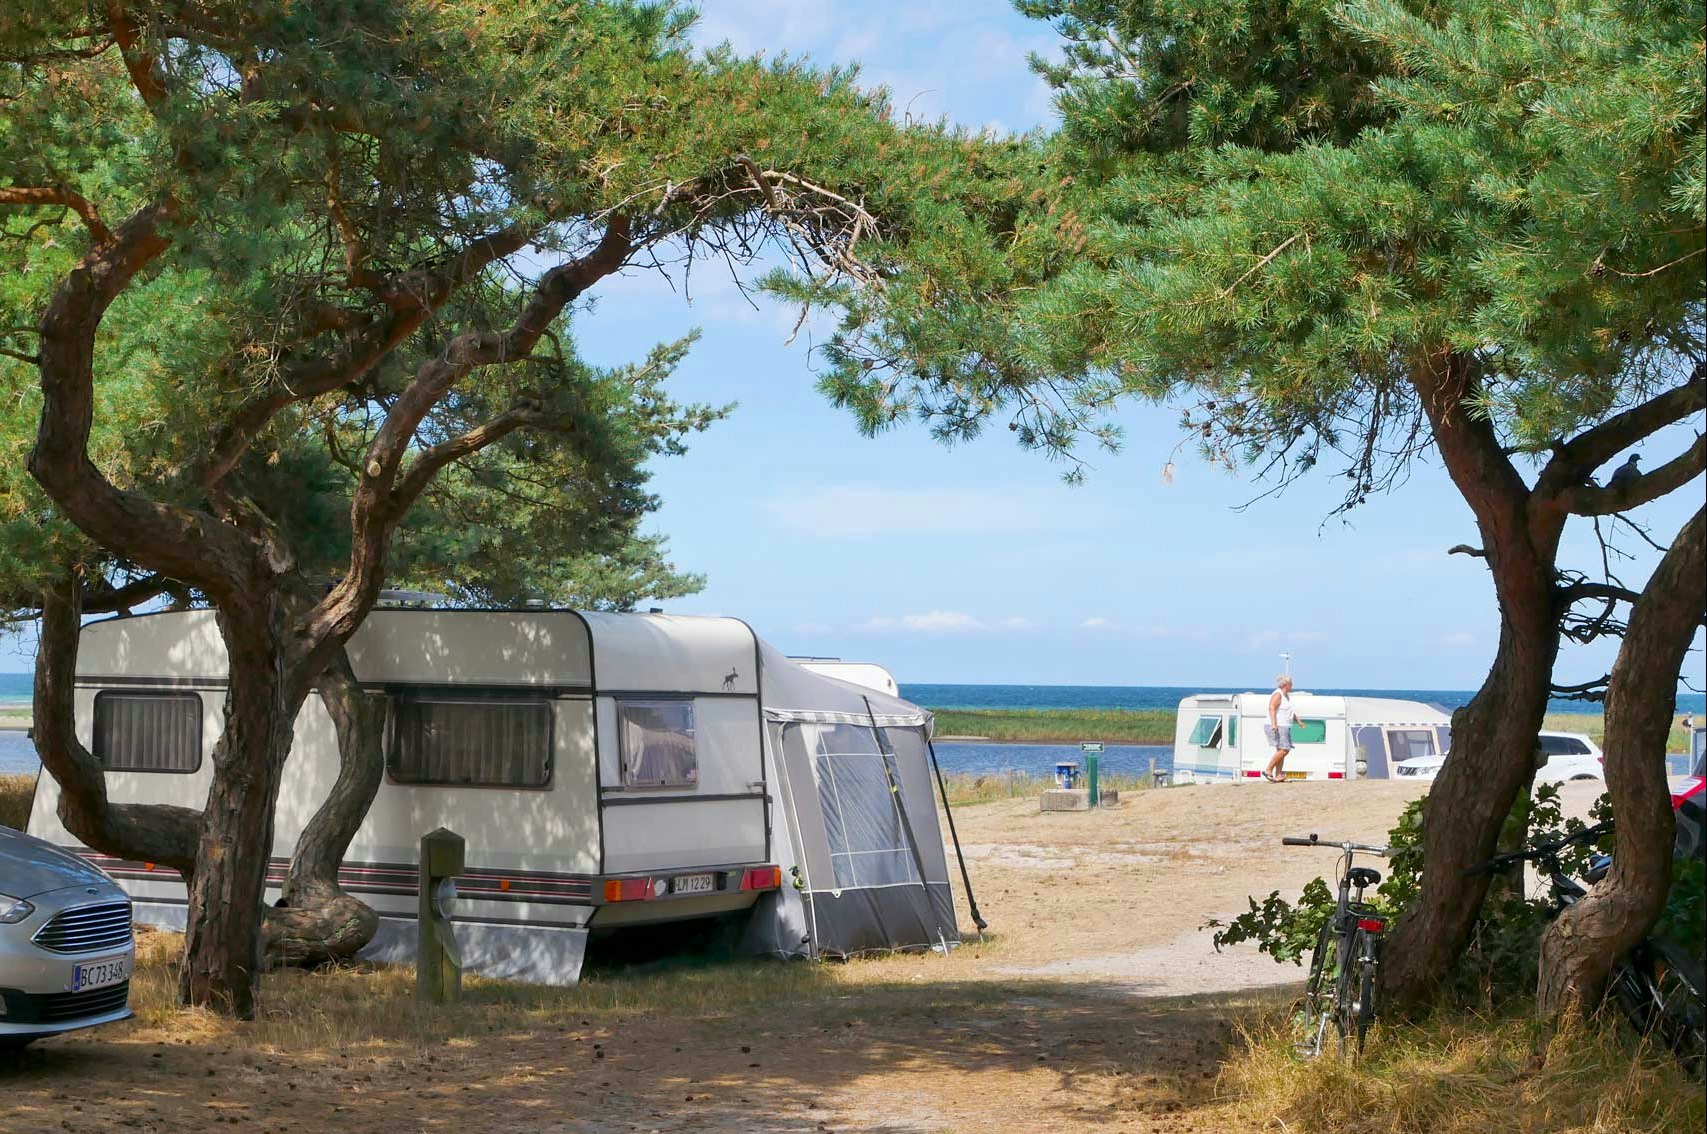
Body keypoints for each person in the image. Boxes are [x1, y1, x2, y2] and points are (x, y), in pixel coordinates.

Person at [1263, 674, 1297, 782]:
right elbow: (1271, 708)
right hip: (1277, 725)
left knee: (1281, 749)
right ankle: (1268, 769)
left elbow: (1289, 711)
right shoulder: (1278, 694)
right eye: (1291, 683)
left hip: (1284, 726)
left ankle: (1278, 775)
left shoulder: (1286, 695)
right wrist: (1274, 724)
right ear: (1286, 684)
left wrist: (1299, 721)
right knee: (1284, 750)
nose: (1292, 685)